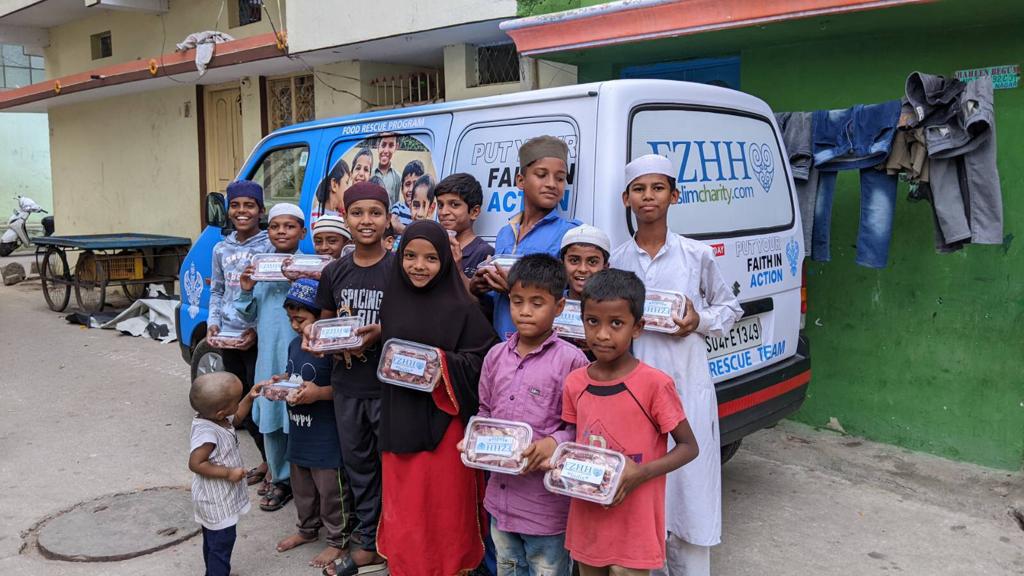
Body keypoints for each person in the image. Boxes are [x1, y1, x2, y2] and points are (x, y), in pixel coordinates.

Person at [609, 155, 742, 576]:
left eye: (658, 188)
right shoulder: (617, 260)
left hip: (686, 386)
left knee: (689, 491)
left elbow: (730, 309)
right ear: (626, 199)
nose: (648, 197)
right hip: (634, 391)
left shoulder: (696, 255)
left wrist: (697, 321)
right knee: (644, 490)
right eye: (639, 189)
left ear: (674, 195)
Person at [376, 221, 499, 576]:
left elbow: (484, 361)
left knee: (442, 508)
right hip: (399, 420)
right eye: (410, 256)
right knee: (406, 508)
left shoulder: (462, 308)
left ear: (445, 261)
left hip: (444, 425)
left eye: (431, 258)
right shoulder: (392, 300)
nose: (419, 266)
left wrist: (439, 364)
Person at [562, 269, 699, 575]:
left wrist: (641, 473)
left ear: (637, 328)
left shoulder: (654, 384)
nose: (602, 334)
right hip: (588, 518)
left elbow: (689, 447)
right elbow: (571, 440)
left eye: (616, 324)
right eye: (592, 321)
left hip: (635, 521)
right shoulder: (575, 382)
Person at [473, 253, 588, 576]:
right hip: (500, 502)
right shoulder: (495, 356)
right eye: (517, 301)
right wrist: (475, 439)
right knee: (507, 568)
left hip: (546, 509)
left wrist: (554, 443)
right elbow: (484, 412)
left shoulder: (572, 362)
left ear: (559, 307)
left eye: (537, 303)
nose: (525, 311)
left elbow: (582, 426)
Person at [312, 182, 393, 576]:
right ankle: (368, 540)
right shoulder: (334, 271)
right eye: (357, 212)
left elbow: (416, 323)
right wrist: (318, 339)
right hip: (347, 387)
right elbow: (324, 323)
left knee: (391, 466)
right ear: (345, 218)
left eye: (375, 212)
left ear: (388, 218)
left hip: (389, 389)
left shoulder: (400, 268)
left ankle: (394, 538)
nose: (366, 220)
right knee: (358, 466)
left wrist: (382, 331)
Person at [273, 279, 355, 570]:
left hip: (326, 436)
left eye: (301, 319)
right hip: (299, 431)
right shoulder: (294, 345)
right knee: (302, 487)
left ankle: (337, 539)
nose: (295, 326)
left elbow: (345, 388)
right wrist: (279, 382)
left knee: (332, 491)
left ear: (321, 317)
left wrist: (318, 394)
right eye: (291, 319)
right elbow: (292, 374)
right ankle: (306, 528)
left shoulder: (332, 350)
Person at [472, 135, 580, 340]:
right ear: (521, 180)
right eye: (541, 175)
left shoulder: (570, 233)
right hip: (503, 346)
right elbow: (497, 300)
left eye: (560, 178)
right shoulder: (505, 233)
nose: (552, 184)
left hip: (544, 347)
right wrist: (480, 287)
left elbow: (573, 297)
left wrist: (516, 288)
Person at [236, 202, 308, 512]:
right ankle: (280, 478)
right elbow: (247, 314)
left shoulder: (310, 267)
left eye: (289, 226)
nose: (281, 232)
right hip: (268, 358)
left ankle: (302, 480)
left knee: (300, 418)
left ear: (302, 232)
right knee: (271, 418)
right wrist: (245, 289)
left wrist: (300, 281)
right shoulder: (262, 268)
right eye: (275, 226)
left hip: (301, 359)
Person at [207, 180, 272, 492]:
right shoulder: (221, 248)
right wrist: (213, 323)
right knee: (239, 404)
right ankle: (266, 461)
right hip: (229, 337)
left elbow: (272, 296)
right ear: (228, 210)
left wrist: (257, 331)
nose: (242, 211)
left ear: (260, 210)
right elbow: (217, 290)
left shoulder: (269, 246)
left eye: (249, 205)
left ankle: (276, 466)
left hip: (259, 339)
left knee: (262, 403)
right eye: (235, 205)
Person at [188, 372, 262, 576]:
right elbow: (196, 463)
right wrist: (228, 473)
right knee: (221, 545)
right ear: (221, 412)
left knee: (213, 543)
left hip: (218, 498)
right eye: (237, 401)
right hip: (216, 501)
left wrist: (249, 397)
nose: (238, 404)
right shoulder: (207, 434)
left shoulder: (216, 419)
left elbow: (236, 418)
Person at [435, 172, 493, 279]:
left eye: (454, 204)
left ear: (474, 212)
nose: (443, 212)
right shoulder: (433, 246)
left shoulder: (483, 253)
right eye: (440, 205)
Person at [560, 224, 611, 301]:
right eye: (574, 261)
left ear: (605, 268)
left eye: (592, 262)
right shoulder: (551, 303)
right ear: (562, 265)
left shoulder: (615, 306)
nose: (583, 269)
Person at [390, 159, 424, 234]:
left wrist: (403, 229)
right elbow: (394, 224)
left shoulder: (424, 211)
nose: (411, 189)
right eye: (407, 184)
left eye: (416, 184)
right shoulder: (398, 207)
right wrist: (414, 233)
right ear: (402, 189)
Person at [373, 133, 402, 205]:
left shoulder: (398, 177)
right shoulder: (370, 174)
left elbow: (396, 204)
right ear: (378, 145)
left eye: (391, 145)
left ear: (396, 147)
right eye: (383, 145)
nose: (386, 151)